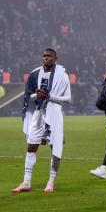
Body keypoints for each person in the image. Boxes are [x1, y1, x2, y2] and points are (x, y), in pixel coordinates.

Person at [12, 49, 72, 193]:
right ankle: (26, 182)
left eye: (48, 56)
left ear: (55, 58)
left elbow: (68, 99)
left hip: (54, 113)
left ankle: (51, 182)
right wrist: (36, 95)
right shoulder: (34, 74)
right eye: (44, 56)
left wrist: (50, 97)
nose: (45, 58)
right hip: (38, 113)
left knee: (55, 148)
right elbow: (27, 96)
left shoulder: (62, 76)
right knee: (31, 146)